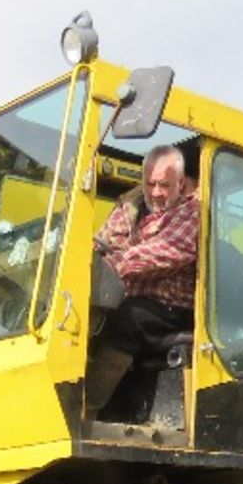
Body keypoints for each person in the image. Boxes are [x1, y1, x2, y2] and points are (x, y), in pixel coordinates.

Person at [87, 144, 199, 410]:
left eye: (164, 185)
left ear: (181, 183)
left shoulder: (192, 211)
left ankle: (89, 406)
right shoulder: (133, 205)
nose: (156, 193)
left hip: (172, 309)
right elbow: (107, 239)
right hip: (132, 297)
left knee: (129, 317)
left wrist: (114, 264)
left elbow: (166, 252)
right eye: (150, 184)